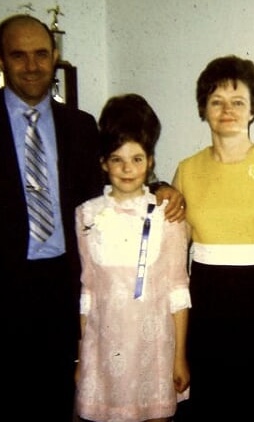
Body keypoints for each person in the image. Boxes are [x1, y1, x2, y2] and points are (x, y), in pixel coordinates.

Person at [0, 14, 185, 422]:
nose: (31, 65)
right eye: (19, 55)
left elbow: (118, 175)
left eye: (41, 54)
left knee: (54, 407)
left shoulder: (78, 126)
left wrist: (162, 186)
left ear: (55, 57)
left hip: (60, 295)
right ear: (0, 59)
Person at [172, 55, 254, 422]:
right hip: (208, 312)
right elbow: (173, 256)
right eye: (216, 101)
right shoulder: (186, 170)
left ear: (253, 109)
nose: (226, 109)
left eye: (237, 101)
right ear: (204, 109)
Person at [74, 93, 191, 422]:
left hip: (154, 352)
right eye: (117, 159)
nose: (127, 169)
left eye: (137, 159)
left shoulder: (166, 216)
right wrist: (82, 356)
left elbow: (178, 292)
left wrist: (179, 356)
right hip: (104, 352)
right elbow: (88, 291)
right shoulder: (86, 215)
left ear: (150, 161)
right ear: (103, 162)